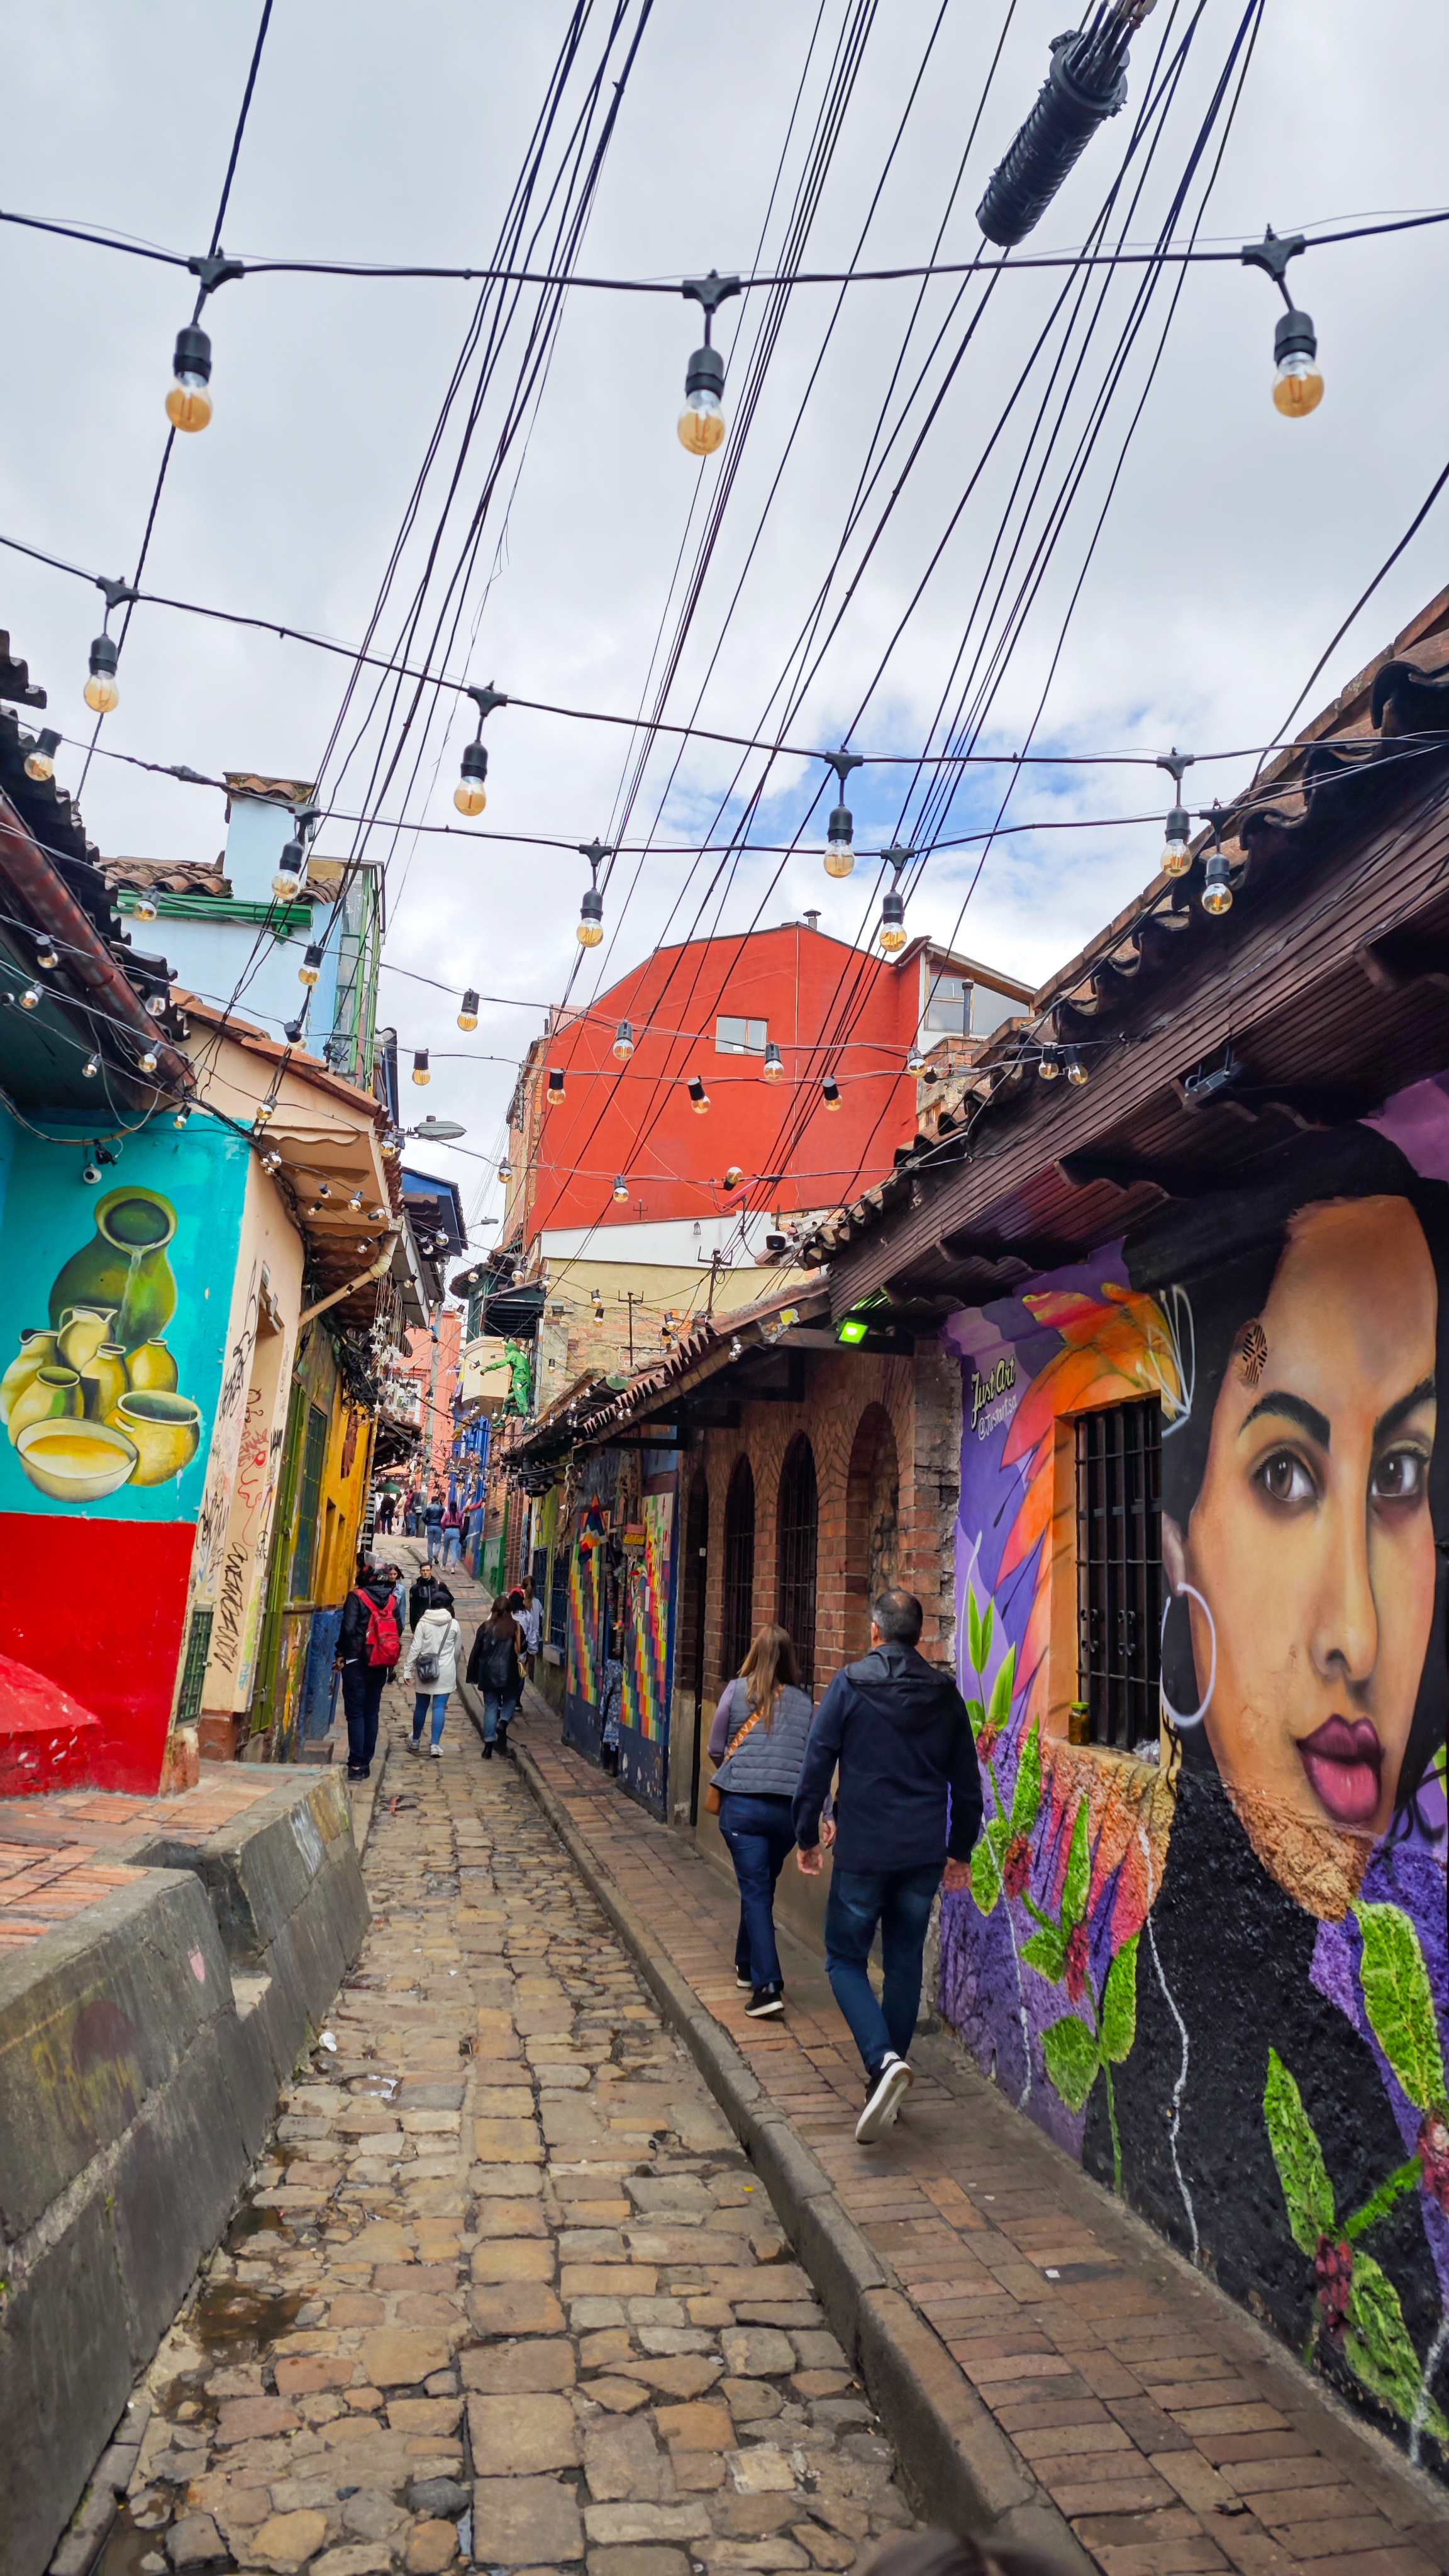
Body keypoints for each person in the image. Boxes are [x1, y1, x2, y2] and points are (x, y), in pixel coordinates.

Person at [795, 1589, 980, 2143]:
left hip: (865, 1852)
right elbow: (967, 1783)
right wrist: (960, 1850)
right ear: (917, 1636)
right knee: (903, 1964)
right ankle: (888, 2081)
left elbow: (816, 1762)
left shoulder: (849, 1685)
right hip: (921, 1854)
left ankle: (882, 2061)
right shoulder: (944, 1694)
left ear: (875, 1632)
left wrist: (806, 1835)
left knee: (844, 1959)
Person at [709, 1624, 816, 2019]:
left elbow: (715, 1747)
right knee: (760, 1886)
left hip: (743, 1810)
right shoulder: (806, 1705)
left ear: (755, 1652)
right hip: (787, 1816)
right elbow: (814, 1762)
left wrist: (738, 1768)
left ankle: (768, 1985)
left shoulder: (736, 1691)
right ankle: (745, 1965)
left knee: (756, 1889)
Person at [336, 1562, 402, 1779]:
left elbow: (347, 1629)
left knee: (356, 1714)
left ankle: (356, 1765)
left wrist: (341, 1653)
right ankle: (366, 1763)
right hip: (381, 1663)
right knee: (371, 1712)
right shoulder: (392, 1600)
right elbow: (399, 1628)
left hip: (357, 1661)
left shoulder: (357, 1597)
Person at [404, 1584, 462, 1758]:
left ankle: (416, 1740)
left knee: (421, 1706)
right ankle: (435, 1745)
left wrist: (407, 1669)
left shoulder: (423, 1623)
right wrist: (453, 1666)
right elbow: (457, 1651)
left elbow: (415, 1648)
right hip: (445, 1671)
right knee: (439, 1707)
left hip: (425, 1670)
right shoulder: (453, 1624)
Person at [469, 1597, 523, 1757]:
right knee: (510, 1700)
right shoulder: (516, 1627)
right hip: (509, 1674)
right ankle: (504, 1722)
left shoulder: (485, 1628)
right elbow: (523, 1647)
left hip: (488, 1675)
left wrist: (473, 1674)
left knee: (491, 1708)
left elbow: (476, 1652)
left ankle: (488, 1746)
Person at [409, 1560, 452, 1636]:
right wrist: (414, 1627)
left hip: (438, 1622)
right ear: (420, 1571)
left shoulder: (440, 1586)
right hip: (423, 1622)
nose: (425, 1572)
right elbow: (413, 1609)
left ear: (431, 1571)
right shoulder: (415, 1589)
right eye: (423, 1571)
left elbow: (449, 1602)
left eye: (428, 1570)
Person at [517, 1574, 543, 1677]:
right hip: (533, 1637)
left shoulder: (519, 1601)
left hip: (521, 1637)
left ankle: (521, 1679)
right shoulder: (537, 1603)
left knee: (520, 1664)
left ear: (522, 1586)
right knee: (529, 1661)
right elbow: (542, 1618)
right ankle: (530, 1677)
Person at [441, 1498, 465, 1568]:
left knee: (446, 1550)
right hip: (456, 1531)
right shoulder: (459, 1514)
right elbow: (461, 1525)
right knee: (454, 1551)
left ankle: (444, 1566)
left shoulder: (446, 1513)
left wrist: (444, 1529)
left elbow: (442, 1522)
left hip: (448, 1530)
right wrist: (460, 1532)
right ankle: (453, 1568)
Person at [423, 1490, 445, 1562]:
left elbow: (423, 1517)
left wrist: (427, 1523)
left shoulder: (429, 1508)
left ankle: (430, 1559)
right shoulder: (441, 1508)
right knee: (438, 1542)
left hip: (430, 1526)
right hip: (438, 1526)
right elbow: (444, 1518)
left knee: (430, 1543)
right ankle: (436, 1553)